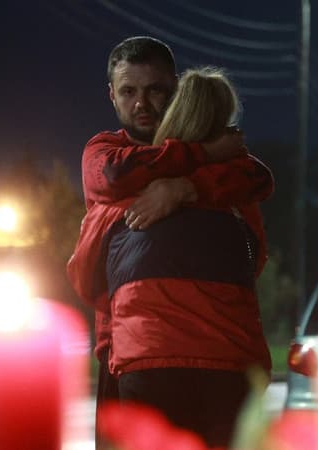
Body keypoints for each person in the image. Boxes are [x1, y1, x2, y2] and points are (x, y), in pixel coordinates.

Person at [66, 36, 273, 448]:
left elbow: (259, 178)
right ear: (112, 95)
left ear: (175, 89)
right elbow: (115, 175)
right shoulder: (107, 152)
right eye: (128, 92)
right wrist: (201, 155)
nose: (141, 103)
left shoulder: (226, 162)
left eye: (154, 90)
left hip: (191, 352)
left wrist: (182, 189)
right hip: (129, 349)